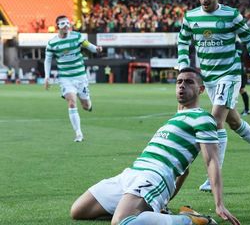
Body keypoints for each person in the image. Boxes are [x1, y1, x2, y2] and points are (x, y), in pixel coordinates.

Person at [70, 68, 240, 225]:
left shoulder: (203, 118)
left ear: (201, 89)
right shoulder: (175, 118)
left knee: (121, 222)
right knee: (78, 211)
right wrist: (164, 202)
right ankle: (150, 213)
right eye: (179, 82)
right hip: (131, 174)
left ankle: (189, 220)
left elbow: (211, 161)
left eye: (189, 82)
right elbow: (184, 171)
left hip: (154, 177)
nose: (182, 85)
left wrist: (219, 204)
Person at [177, 0, 250, 192]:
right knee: (234, 122)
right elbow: (183, 40)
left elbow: (249, 38)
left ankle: (213, 177)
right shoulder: (191, 16)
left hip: (229, 74)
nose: (204, 0)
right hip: (208, 77)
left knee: (215, 121)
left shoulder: (231, 15)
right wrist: (183, 63)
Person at [44, 15, 102, 142]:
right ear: (57, 26)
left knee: (86, 105)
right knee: (71, 101)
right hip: (65, 78)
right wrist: (47, 76)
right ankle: (78, 133)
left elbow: (88, 45)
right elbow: (47, 60)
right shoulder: (52, 43)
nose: (66, 25)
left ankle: (88, 102)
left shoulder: (77, 36)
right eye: (63, 23)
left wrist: (96, 49)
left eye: (67, 23)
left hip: (80, 76)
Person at [237, 43, 250, 116]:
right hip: (236, 70)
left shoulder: (238, 45)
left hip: (239, 71)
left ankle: (247, 109)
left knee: (242, 89)